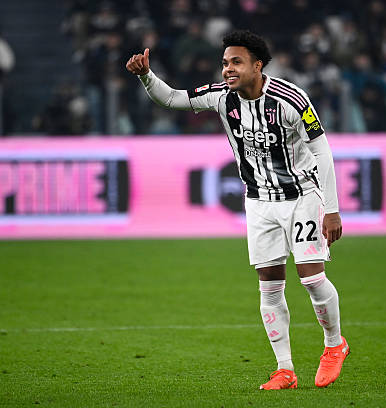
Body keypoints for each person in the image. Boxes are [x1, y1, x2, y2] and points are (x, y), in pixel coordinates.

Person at [125, 30, 348, 390]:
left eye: (236, 62)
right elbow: (172, 98)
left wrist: (332, 210)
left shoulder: (291, 99)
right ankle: (285, 369)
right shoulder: (221, 97)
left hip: (302, 196)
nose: (227, 69)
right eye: (225, 62)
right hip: (258, 201)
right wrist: (146, 76)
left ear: (257, 66)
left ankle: (334, 344)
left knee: (310, 278)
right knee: (269, 287)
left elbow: (321, 150)